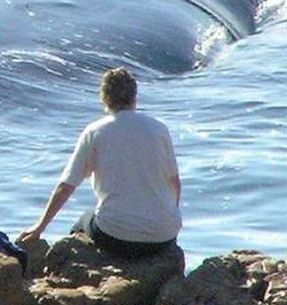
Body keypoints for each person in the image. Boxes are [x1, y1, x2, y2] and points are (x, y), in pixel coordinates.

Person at [19, 67, 181, 258]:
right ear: (134, 97)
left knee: (81, 225)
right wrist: (165, 216)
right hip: (164, 236)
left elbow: (67, 186)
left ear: (104, 98)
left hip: (116, 235)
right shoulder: (159, 129)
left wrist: (39, 228)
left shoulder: (95, 131)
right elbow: (175, 184)